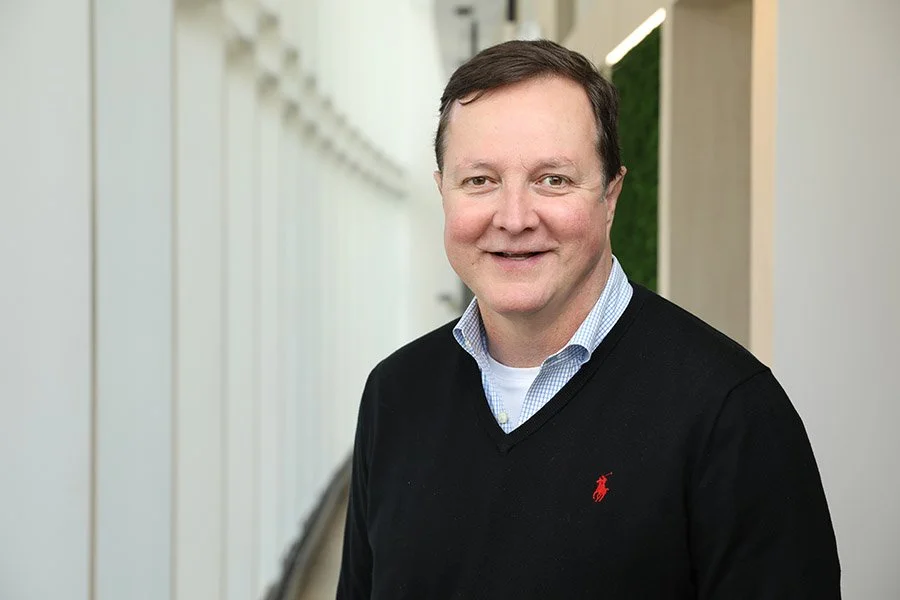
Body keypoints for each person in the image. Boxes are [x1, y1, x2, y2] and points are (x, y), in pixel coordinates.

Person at [337, 39, 840, 599]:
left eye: (553, 179)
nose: (513, 218)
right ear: (444, 194)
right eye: (480, 180)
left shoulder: (730, 412)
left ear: (611, 196)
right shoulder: (396, 394)